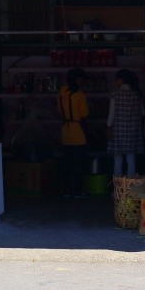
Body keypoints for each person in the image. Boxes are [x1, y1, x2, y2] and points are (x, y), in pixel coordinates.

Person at [58, 68, 90, 198]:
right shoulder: (80, 95)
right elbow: (84, 114)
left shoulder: (61, 92)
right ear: (77, 79)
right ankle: (78, 191)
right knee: (78, 164)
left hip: (65, 131)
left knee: (67, 164)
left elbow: (59, 111)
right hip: (78, 132)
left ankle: (67, 190)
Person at [107, 69, 144, 177]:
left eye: (116, 80)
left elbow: (111, 114)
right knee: (131, 158)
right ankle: (130, 187)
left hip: (118, 131)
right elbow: (142, 113)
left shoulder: (115, 94)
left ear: (121, 80)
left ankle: (118, 187)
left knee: (117, 159)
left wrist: (108, 127)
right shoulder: (137, 94)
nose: (115, 82)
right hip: (133, 131)